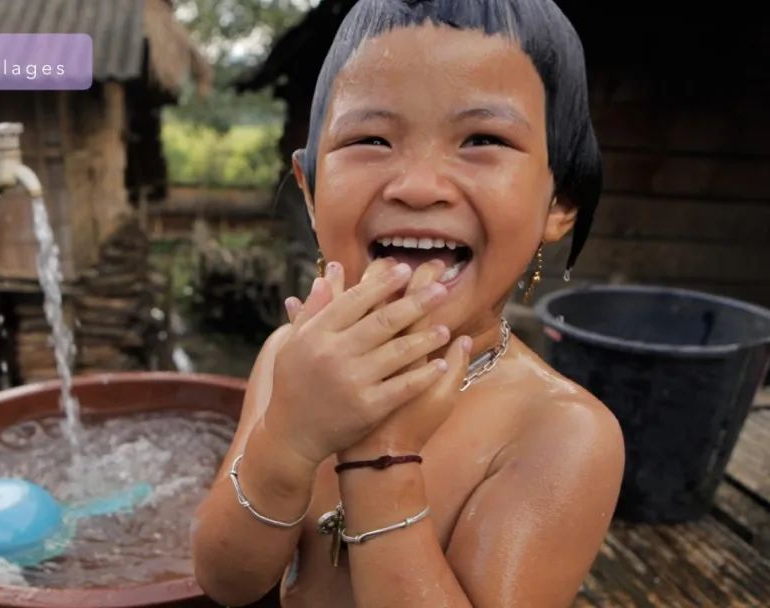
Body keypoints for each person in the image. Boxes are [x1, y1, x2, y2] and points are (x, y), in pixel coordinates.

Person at [190, 1, 625, 606]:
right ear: (311, 192)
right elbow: (227, 582)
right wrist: (288, 437)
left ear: (560, 203)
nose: (419, 187)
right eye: (371, 138)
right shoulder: (291, 358)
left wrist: (379, 457)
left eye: (483, 139)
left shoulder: (560, 433)